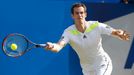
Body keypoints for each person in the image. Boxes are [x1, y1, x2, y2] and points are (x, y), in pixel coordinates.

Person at [45, 3, 130, 75]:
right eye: (77, 13)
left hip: (102, 64)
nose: (80, 15)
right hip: (87, 69)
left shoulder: (95, 25)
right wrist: (52, 46)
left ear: (85, 14)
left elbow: (114, 32)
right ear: (72, 15)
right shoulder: (68, 32)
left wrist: (120, 33)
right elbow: (59, 46)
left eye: (81, 13)